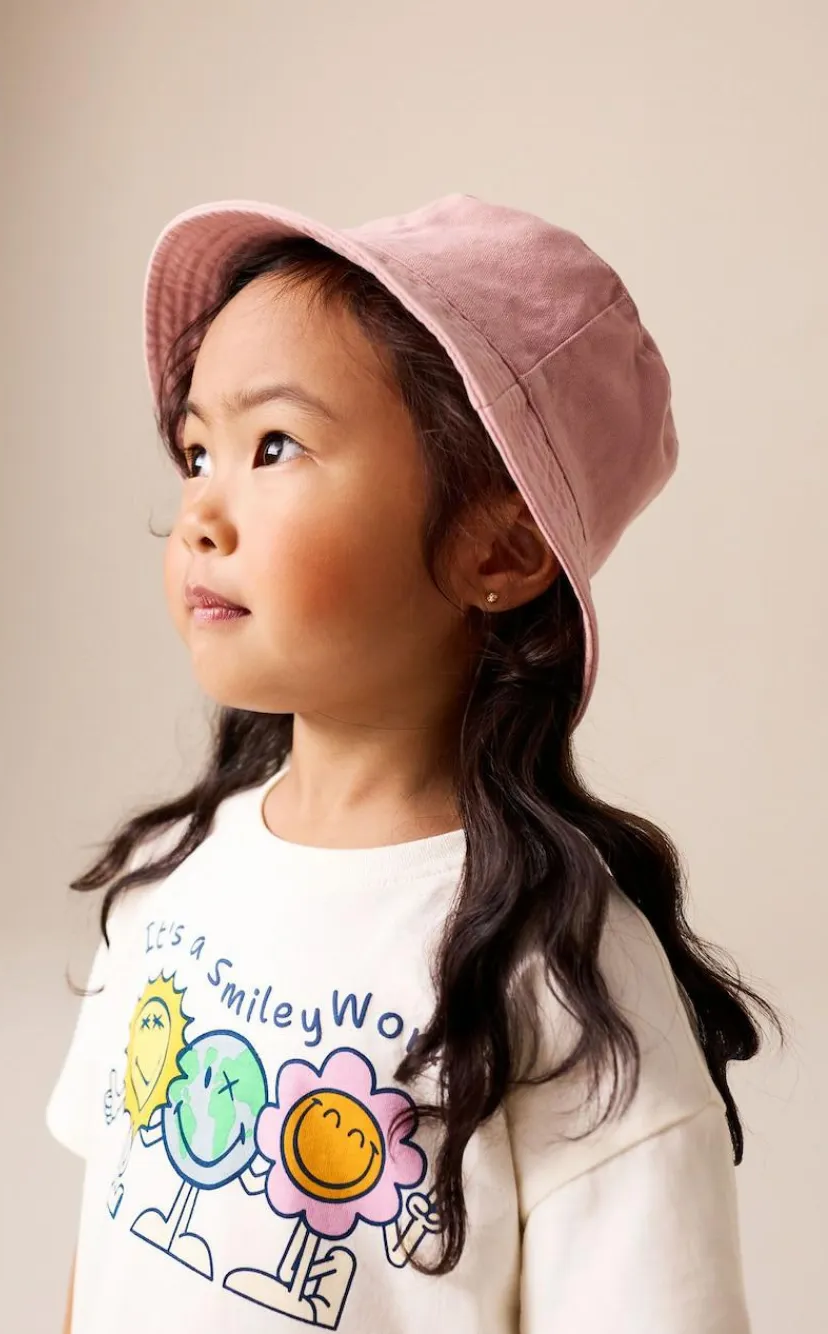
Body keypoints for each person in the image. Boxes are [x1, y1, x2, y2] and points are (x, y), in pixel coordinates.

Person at [45, 193, 778, 1334]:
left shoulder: (566, 978)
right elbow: (103, 1261)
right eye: (196, 452)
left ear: (499, 546)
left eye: (274, 445)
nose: (200, 513)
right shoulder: (172, 877)